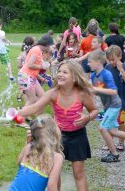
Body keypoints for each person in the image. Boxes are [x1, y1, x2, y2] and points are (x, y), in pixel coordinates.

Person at [18, 60, 98, 191]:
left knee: (79, 173)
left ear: (74, 77)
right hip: (57, 136)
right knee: (55, 173)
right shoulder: (53, 93)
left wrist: (87, 118)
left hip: (78, 136)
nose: (60, 74)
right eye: (59, 71)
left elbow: (94, 111)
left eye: (65, 72)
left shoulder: (82, 94)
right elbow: (34, 107)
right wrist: (17, 113)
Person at [9, 114, 64, 191]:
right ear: (54, 133)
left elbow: (19, 162)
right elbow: (51, 186)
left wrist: (27, 143)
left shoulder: (29, 147)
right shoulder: (57, 157)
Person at [88, 49, 125, 162]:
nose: (88, 64)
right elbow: (95, 90)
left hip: (115, 105)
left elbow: (113, 91)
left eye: (90, 61)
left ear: (98, 62)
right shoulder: (95, 74)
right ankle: (113, 152)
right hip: (108, 106)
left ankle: (114, 154)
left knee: (103, 128)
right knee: (113, 131)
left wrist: (95, 89)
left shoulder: (107, 73)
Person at [17, 35, 53, 106]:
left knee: (43, 97)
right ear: (47, 45)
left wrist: (42, 79)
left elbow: (32, 70)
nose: (51, 48)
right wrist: (42, 66)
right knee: (32, 99)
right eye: (50, 46)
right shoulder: (36, 50)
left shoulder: (38, 50)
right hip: (25, 77)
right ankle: (21, 115)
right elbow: (30, 65)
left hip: (31, 77)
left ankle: (36, 115)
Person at [105, 45, 125, 151]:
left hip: (123, 100)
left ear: (120, 56)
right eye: (109, 60)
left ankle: (121, 142)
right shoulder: (108, 68)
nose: (111, 62)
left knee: (122, 122)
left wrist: (121, 69)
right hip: (111, 100)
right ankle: (110, 141)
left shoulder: (124, 67)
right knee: (110, 120)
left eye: (113, 59)